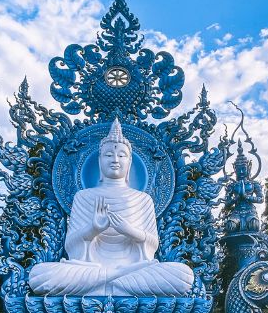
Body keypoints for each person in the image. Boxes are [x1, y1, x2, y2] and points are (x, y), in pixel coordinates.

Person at [28, 118, 194, 296]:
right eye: (108, 155)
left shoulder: (143, 199)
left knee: (183, 275)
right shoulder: (83, 197)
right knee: (39, 276)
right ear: (100, 161)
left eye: (121, 155)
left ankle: (105, 282)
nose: (115, 159)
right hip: (92, 270)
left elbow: (152, 246)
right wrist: (92, 229)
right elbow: (71, 247)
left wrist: (130, 230)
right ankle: (118, 281)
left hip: (133, 268)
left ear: (129, 162)